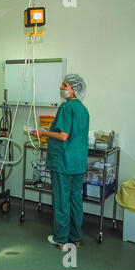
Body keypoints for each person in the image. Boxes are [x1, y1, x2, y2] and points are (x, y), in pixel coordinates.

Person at [31, 74, 89, 249]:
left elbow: (63, 136)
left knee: (62, 200)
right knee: (75, 200)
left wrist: (43, 133)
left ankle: (61, 239)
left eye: (65, 85)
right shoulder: (83, 109)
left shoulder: (66, 108)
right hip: (78, 162)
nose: (61, 87)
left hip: (64, 162)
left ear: (74, 89)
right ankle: (76, 238)